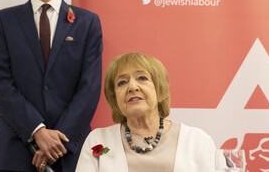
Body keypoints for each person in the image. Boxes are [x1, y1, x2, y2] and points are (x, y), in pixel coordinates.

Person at [0, 0, 103, 171]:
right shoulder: (4, 21)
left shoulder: (87, 22)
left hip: (70, 149)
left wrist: (58, 140)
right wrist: (37, 131)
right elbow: (0, 85)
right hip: (16, 149)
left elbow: (89, 88)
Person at [75, 53, 216, 172]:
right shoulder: (97, 140)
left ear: (160, 91)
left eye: (142, 78)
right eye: (122, 82)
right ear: (115, 98)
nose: (132, 86)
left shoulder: (197, 141)